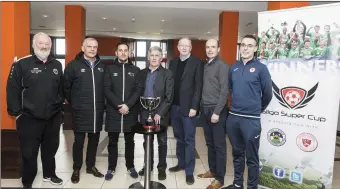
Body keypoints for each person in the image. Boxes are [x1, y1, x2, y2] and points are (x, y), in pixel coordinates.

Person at [6, 32, 64, 189]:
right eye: (41, 43)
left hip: (52, 117)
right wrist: (17, 113)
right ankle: (27, 180)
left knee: (51, 148)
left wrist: (59, 108)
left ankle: (49, 174)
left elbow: (61, 89)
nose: (44, 46)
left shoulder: (57, 65)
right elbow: (12, 89)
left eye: (47, 43)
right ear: (33, 44)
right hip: (28, 118)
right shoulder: (21, 64)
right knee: (29, 152)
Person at [222, 35, 273, 189]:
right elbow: (230, 88)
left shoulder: (261, 68)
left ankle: (252, 187)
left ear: (255, 49)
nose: (245, 48)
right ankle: (238, 184)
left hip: (251, 120)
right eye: (243, 45)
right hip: (233, 118)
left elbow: (268, 94)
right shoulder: (234, 67)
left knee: (251, 158)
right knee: (237, 154)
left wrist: (257, 109)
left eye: (249, 45)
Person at [63, 38, 105, 183]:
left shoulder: (102, 66)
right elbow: (65, 87)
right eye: (89, 46)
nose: (92, 49)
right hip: (80, 111)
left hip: (97, 111)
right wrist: (75, 102)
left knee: (94, 141)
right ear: (83, 48)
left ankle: (90, 166)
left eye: (95, 47)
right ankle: (76, 168)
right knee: (79, 141)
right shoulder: (73, 65)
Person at [104, 43, 142, 180]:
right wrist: (119, 105)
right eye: (120, 50)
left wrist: (128, 105)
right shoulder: (109, 69)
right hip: (114, 111)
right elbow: (107, 89)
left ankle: (130, 166)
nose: (123, 53)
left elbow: (138, 90)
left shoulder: (136, 70)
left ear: (129, 53)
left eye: (126, 50)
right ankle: (111, 168)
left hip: (130, 112)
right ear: (116, 53)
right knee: (112, 142)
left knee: (129, 142)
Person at [168, 37, 204, 185]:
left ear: (190, 48)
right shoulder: (173, 62)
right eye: (181, 45)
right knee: (179, 138)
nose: (183, 47)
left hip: (188, 109)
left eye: (186, 45)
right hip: (174, 107)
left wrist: (194, 107)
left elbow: (198, 86)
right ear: (177, 47)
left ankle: (189, 171)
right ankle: (181, 164)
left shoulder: (197, 62)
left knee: (189, 140)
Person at [137, 46, 174, 180]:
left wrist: (159, 113)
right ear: (148, 57)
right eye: (151, 55)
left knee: (162, 141)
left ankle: (161, 168)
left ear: (161, 58)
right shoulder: (141, 73)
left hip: (160, 115)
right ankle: (148, 165)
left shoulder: (167, 74)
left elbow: (169, 97)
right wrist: (138, 112)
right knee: (147, 142)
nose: (154, 58)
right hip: (145, 113)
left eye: (157, 55)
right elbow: (137, 94)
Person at [197, 39, 229, 189]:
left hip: (217, 111)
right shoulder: (205, 66)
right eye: (207, 47)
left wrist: (216, 112)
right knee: (209, 143)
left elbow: (224, 91)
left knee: (219, 146)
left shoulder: (222, 66)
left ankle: (220, 179)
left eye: (213, 47)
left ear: (218, 48)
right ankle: (213, 170)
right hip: (205, 109)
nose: (210, 50)